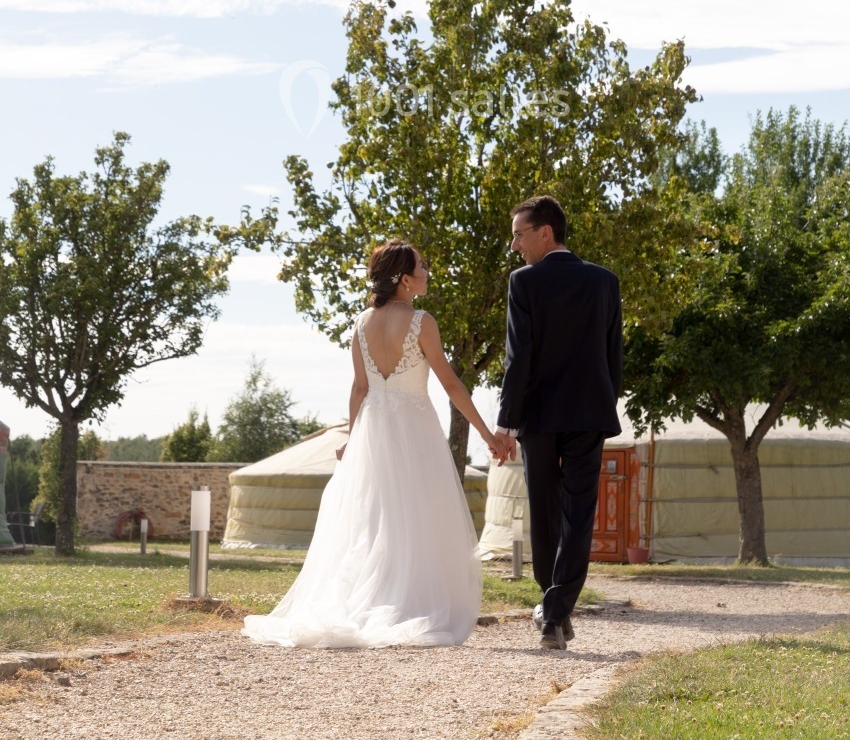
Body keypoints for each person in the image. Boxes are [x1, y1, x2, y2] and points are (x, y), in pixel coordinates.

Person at [243, 239, 501, 649]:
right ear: (403, 279)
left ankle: (375, 600)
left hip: (374, 430)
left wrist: (351, 437)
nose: (427, 272)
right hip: (414, 428)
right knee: (416, 515)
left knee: (376, 518)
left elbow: (360, 388)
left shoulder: (362, 323)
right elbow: (451, 384)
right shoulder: (422, 321)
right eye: (422, 266)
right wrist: (488, 435)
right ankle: (406, 604)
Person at [495, 195, 622, 650]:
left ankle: (552, 612)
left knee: (546, 514)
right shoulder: (605, 282)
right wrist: (605, 401)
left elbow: (519, 358)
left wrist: (506, 424)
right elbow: (613, 358)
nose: (514, 245)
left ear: (544, 232)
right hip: (590, 413)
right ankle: (557, 610)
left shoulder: (523, 283)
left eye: (518, 234)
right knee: (578, 515)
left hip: (539, 417)